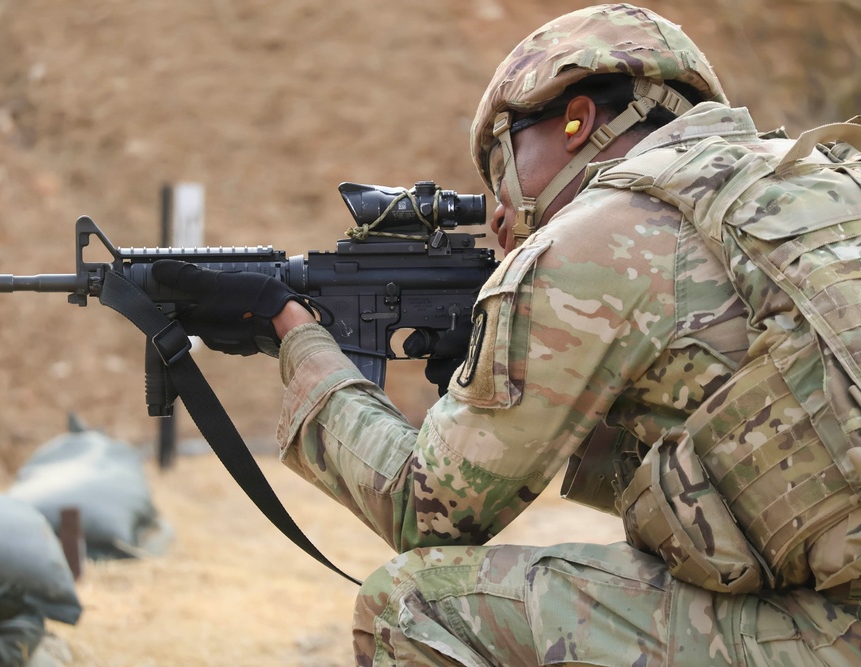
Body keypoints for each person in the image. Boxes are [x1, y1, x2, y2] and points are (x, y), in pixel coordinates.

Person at [152, 4, 861, 665]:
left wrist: (294, 331)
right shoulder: (818, 185)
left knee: (417, 601)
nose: (497, 214)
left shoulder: (600, 234)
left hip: (830, 633)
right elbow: (746, 448)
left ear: (579, 121)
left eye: (500, 164)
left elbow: (423, 511)